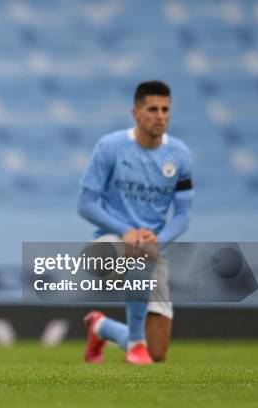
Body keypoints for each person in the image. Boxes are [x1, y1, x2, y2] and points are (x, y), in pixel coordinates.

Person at [78, 80, 193, 364]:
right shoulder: (110, 147)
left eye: (165, 109)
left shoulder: (179, 155)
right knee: (129, 256)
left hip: (154, 248)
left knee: (157, 355)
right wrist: (125, 231)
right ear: (136, 113)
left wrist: (160, 240)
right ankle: (136, 342)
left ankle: (102, 327)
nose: (160, 115)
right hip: (111, 243)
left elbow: (182, 214)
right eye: (152, 109)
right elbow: (86, 203)